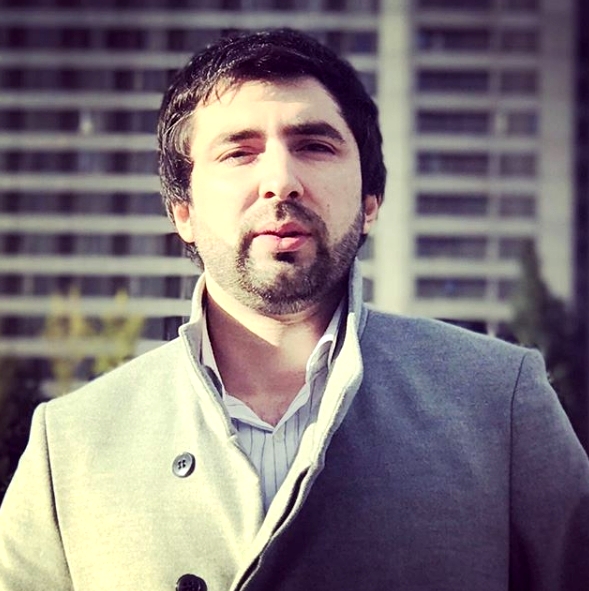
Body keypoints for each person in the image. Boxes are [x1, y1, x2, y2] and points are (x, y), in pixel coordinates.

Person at [0, 28, 588, 591]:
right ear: (183, 212)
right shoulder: (70, 443)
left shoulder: (500, 400)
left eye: (314, 146)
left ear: (370, 202)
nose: (280, 181)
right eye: (239, 152)